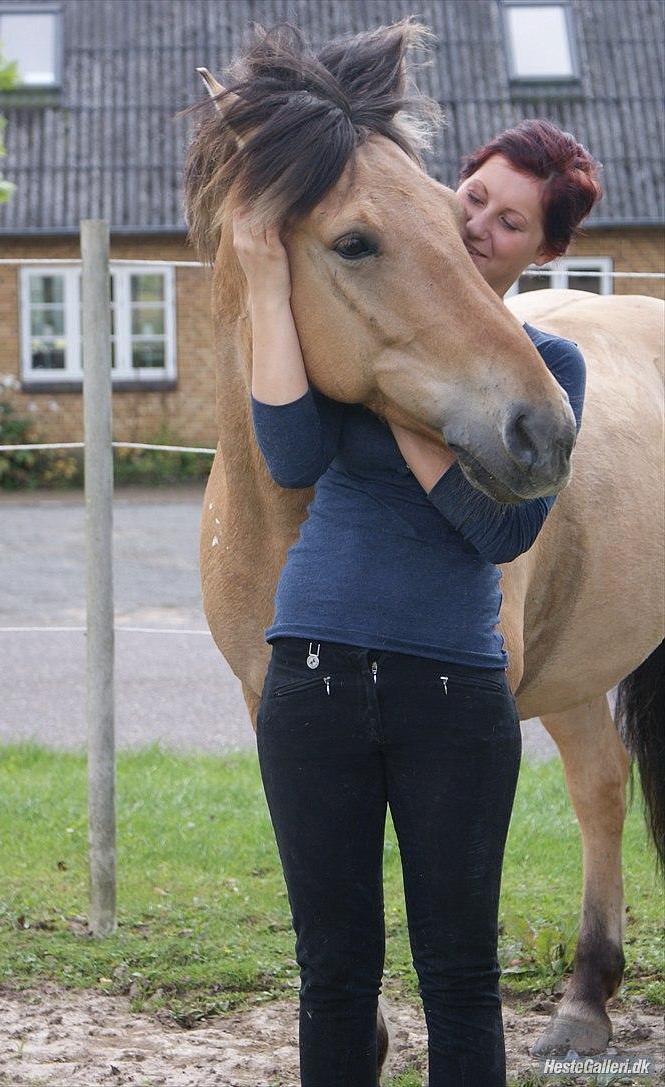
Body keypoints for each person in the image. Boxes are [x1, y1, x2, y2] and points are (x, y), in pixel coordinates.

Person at [236, 118, 602, 1087]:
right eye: (469, 197)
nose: (478, 225)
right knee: (332, 974)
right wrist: (267, 277)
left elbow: (499, 532)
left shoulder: (545, 371)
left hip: (452, 693)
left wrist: (400, 399)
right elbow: (289, 456)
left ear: (544, 250)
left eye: (510, 220)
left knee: (457, 973)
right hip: (311, 681)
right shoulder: (349, 327)